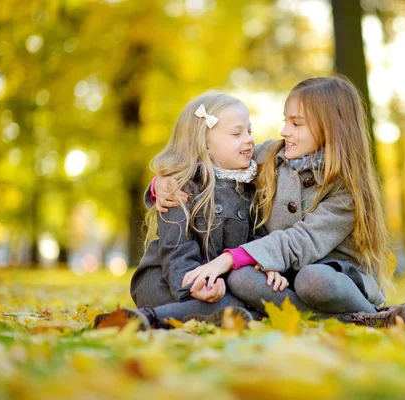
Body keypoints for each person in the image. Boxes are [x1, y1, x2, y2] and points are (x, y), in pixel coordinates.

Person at [154, 77, 405, 329]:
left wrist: (230, 257)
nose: (284, 131)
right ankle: (349, 320)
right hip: (282, 277)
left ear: (331, 129)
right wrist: (163, 183)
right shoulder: (268, 157)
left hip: (334, 277)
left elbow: (300, 241)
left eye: (296, 123)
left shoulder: (345, 191)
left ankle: (369, 314)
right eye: (284, 121)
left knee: (313, 279)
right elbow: (214, 163)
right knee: (241, 279)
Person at [95, 92, 274, 329]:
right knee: (230, 305)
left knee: (240, 298)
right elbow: (175, 248)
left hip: (222, 284)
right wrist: (192, 286)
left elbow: (259, 236)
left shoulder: (255, 186)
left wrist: (268, 263)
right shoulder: (178, 188)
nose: (249, 140)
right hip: (169, 278)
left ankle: (154, 319)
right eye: (236, 133)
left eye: (249, 131)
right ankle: (154, 316)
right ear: (205, 144)